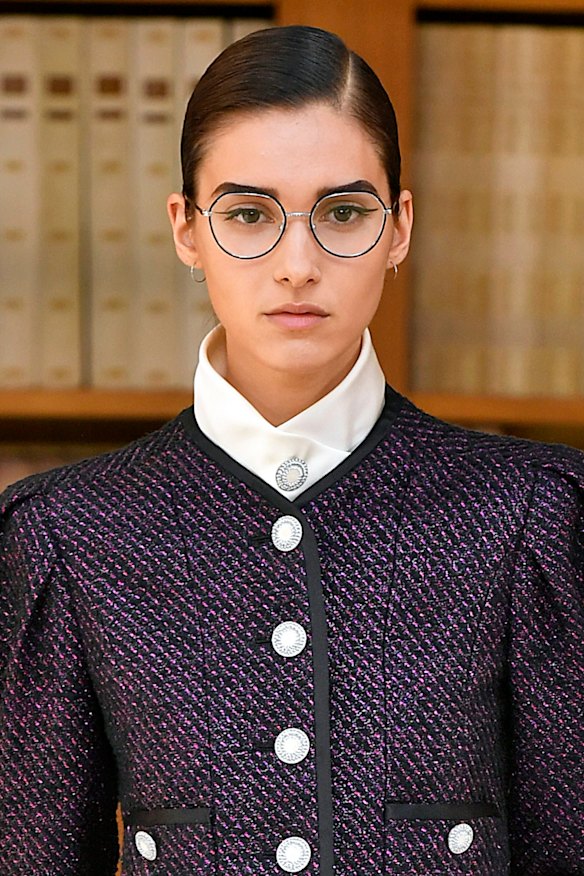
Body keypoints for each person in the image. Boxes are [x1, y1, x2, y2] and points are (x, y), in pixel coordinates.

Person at [0, 24, 582, 876]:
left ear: (400, 228)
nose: (297, 264)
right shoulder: (65, 534)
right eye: (247, 214)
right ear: (186, 231)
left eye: (344, 212)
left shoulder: (532, 515)